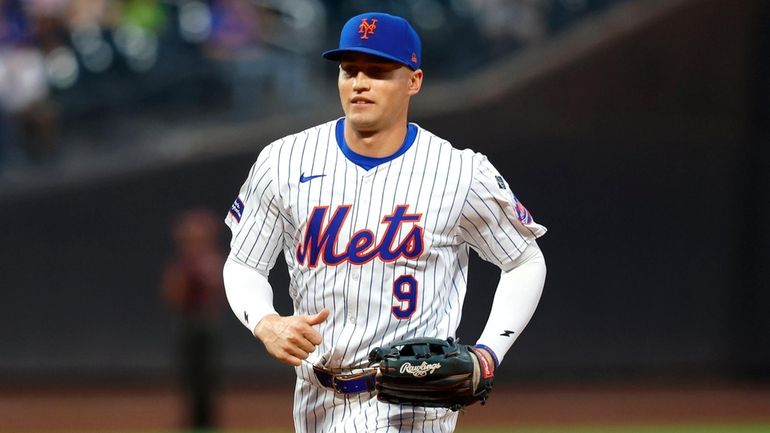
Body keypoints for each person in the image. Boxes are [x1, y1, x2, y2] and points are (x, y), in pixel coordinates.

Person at [223, 12, 547, 433]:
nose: (359, 82)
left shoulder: (460, 172)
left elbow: (524, 260)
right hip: (315, 399)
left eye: (377, 71)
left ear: (413, 81)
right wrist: (266, 321)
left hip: (411, 405)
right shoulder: (284, 161)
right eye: (349, 70)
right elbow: (244, 263)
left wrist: (488, 353)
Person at [162, 209, 225, 430]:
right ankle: (194, 420)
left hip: (205, 322)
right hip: (188, 321)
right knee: (190, 374)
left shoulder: (210, 260)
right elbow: (172, 293)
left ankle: (206, 421)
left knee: (207, 375)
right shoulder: (183, 263)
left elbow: (218, 290)